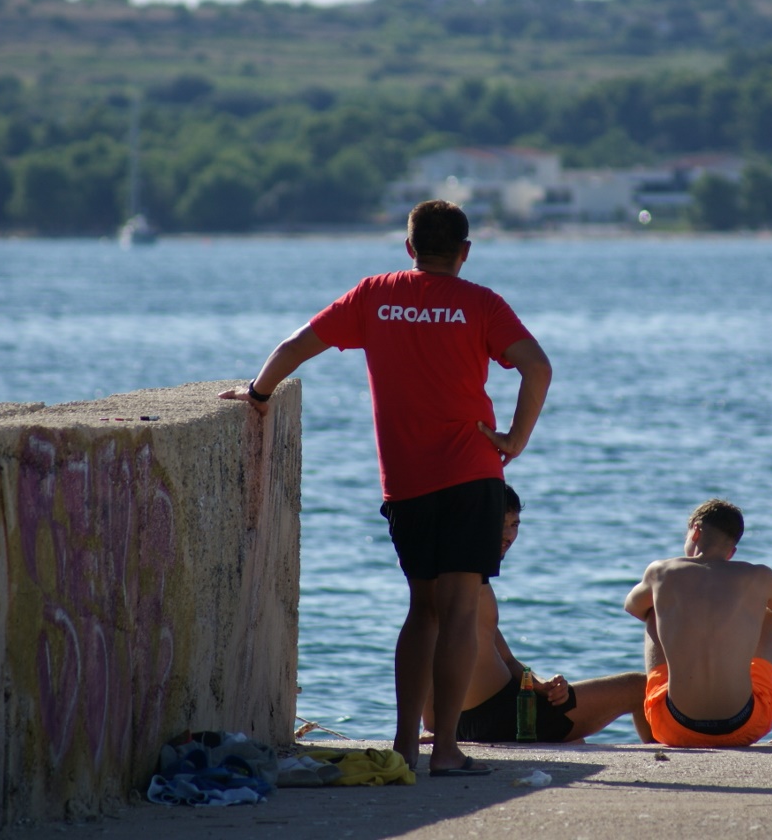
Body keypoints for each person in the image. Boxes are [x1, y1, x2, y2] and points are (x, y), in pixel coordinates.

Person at [219, 200, 552, 776]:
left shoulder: (374, 294)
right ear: (465, 252)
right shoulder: (481, 303)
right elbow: (537, 367)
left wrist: (258, 393)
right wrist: (515, 439)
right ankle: (446, 751)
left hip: (407, 479)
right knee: (460, 611)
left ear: (409, 247)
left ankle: (405, 744)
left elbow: (296, 345)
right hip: (472, 472)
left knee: (422, 609)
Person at [422, 485, 652, 744]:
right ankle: (665, 759)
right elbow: (429, 640)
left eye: (514, 524)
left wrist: (541, 683)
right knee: (641, 687)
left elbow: (507, 659)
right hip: (501, 716)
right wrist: (432, 725)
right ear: (477, 521)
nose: (509, 534)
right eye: (500, 524)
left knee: (575, 742)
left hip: (495, 711)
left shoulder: (475, 576)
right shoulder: (461, 574)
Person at [623, 499, 772, 747]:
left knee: (653, 609)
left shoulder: (661, 571)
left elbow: (632, 606)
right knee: (770, 614)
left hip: (674, 727)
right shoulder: (759, 575)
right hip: (745, 726)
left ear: (695, 531)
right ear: (731, 552)